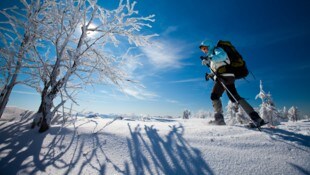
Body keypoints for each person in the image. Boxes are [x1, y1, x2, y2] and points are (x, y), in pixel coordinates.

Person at [199, 40, 266, 127]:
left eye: (205, 48)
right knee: (234, 97)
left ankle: (219, 120)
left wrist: (209, 59)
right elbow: (218, 68)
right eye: (202, 50)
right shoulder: (212, 56)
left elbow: (223, 56)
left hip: (225, 75)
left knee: (215, 96)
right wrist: (210, 75)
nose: (204, 51)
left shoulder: (217, 50)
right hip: (225, 76)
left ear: (210, 46)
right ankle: (256, 118)